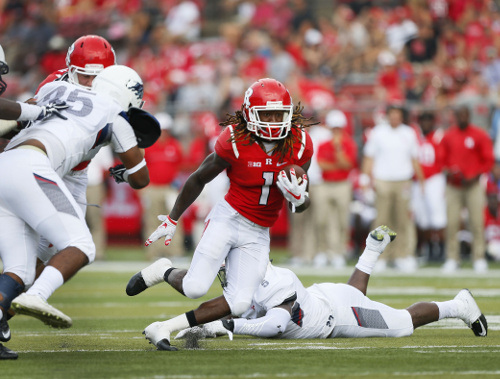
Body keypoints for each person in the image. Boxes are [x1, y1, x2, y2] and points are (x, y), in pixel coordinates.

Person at [126, 78, 314, 350]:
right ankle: (164, 270)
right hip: (229, 217)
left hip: (259, 230)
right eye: (266, 114)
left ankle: (165, 327)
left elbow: (300, 205)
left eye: (279, 114)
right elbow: (199, 177)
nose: (273, 121)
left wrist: (300, 198)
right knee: (194, 287)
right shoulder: (235, 140)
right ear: (250, 114)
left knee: (239, 303)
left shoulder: (300, 143)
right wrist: (173, 218)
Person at [0, 65, 153, 360]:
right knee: (81, 244)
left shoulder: (53, 89)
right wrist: (128, 157)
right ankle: (37, 295)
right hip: (32, 166)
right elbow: (141, 178)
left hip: (6, 163)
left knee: (19, 269)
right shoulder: (114, 113)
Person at [175, 226, 487, 343]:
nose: (227, 271)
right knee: (356, 299)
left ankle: (458, 305)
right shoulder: (254, 276)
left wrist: (228, 327)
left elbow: (277, 326)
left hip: (335, 313)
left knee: (403, 324)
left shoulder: (273, 280)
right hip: (327, 300)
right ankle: (372, 249)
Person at [8, 34, 118, 327]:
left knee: (46, 253)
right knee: (76, 243)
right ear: (70, 69)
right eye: (84, 76)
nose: (91, 83)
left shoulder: (114, 86)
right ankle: (32, 296)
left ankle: (8, 309)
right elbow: (28, 116)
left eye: (98, 77)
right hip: (45, 165)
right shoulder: (55, 82)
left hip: (75, 171)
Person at [360, 104, 425, 273]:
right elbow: (369, 157)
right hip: (383, 180)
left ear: (401, 117)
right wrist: (365, 177)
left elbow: (414, 158)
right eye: (392, 115)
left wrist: (422, 181)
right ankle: (381, 257)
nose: (395, 118)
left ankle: (404, 255)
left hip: (403, 180)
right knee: (382, 220)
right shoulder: (378, 133)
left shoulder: (409, 133)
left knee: (403, 220)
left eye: (397, 115)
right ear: (387, 116)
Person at [441, 106, 495, 273]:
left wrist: (476, 175)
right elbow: (441, 159)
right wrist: (448, 171)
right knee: (452, 222)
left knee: (477, 222)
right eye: (460, 114)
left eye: (465, 114)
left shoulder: (479, 135)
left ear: (469, 116)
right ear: (456, 116)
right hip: (453, 186)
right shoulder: (448, 135)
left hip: (473, 186)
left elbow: (488, 159)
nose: (462, 117)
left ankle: (478, 257)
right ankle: (452, 257)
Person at [314, 109, 357, 268]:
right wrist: (338, 164)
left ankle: (339, 252)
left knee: (342, 221)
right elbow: (322, 165)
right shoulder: (324, 144)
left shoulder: (348, 144)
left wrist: (338, 150)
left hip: (342, 185)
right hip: (325, 184)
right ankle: (322, 251)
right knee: (322, 220)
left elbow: (348, 164)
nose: (336, 131)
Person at [140, 112, 185, 260]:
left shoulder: (174, 145)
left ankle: (175, 251)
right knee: (152, 221)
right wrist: (142, 189)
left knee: (173, 220)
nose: (163, 132)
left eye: (166, 129)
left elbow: (180, 166)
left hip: (170, 188)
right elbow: (141, 167)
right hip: (152, 188)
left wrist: (177, 184)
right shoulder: (149, 146)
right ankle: (154, 253)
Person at [411, 111, 446, 262]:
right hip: (417, 181)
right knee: (422, 218)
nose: (425, 124)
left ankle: (443, 249)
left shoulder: (438, 136)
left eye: (428, 121)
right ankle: (429, 249)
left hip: (434, 179)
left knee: (438, 216)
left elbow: (441, 159)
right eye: (423, 120)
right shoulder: (414, 137)